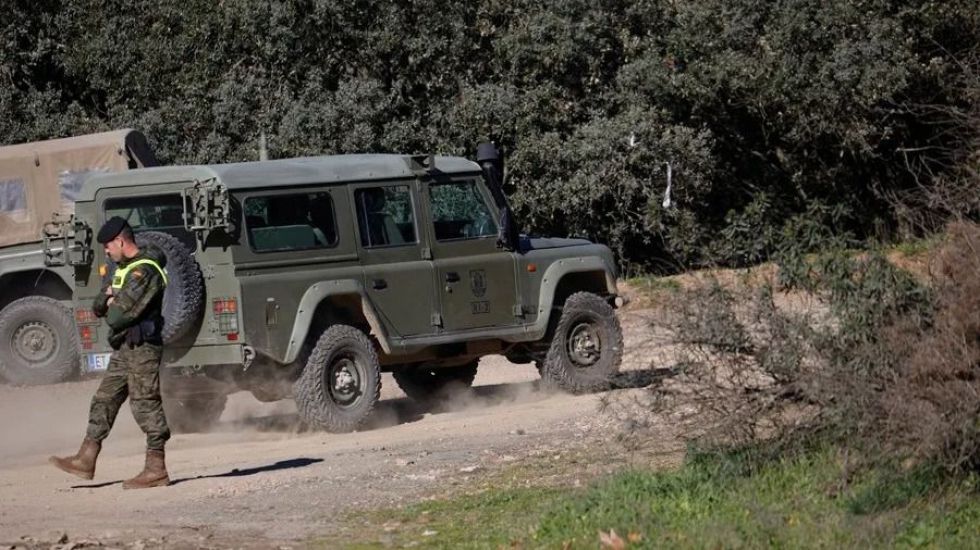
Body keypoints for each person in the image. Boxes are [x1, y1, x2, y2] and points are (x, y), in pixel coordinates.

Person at [49, 216, 172, 489]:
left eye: (108, 246)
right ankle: (86, 458)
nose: (106, 251)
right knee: (104, 398)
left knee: (145, 403)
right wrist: (110, 298)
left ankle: (156, 468)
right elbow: (98, 306)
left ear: (120, 241)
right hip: (124, 347)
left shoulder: (144, 271)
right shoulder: (123, 269)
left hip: (143, 347)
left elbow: (116, 316)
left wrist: (112, 301)